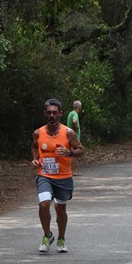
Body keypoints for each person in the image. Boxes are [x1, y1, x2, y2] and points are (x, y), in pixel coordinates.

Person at [31, 98, 84, 253]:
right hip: (44, 175)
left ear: (60, 113)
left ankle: (61, 238)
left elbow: (81, 150)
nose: (52, 115)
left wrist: (69, 152)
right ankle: (47, 235)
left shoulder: (68, 133)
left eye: (55, 112)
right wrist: (35, 159)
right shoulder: (38, 133)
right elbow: (34, 146)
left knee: (60, 209)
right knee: (44, 204)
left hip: (63, 177)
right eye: (49, 113)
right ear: (45, 114)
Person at [67, 100, 82, 175]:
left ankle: (71, 170)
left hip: (69, 136)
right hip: (74, 137)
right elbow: (74, 121)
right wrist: (76, 128)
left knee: (71, 153)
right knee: (74, 154)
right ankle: (73, 171)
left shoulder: (70, 113)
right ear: (79, 107)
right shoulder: (75, 114)